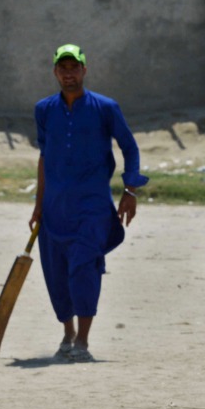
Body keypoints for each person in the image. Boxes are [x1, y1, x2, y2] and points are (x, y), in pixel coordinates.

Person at [29, 43, 148, 362]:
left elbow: (130, 148)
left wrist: (131, 190)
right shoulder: (44, 109)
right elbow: (44, 157)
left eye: (74, 67)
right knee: (56, 274)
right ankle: (67, 333)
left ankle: (82, 340)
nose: (69, 73)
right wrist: (38, 205)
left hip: (92, 208)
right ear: (55, 71)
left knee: (84, 268)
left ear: (84, 69)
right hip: (54, 208)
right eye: (62, 68)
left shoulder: (105, 107)